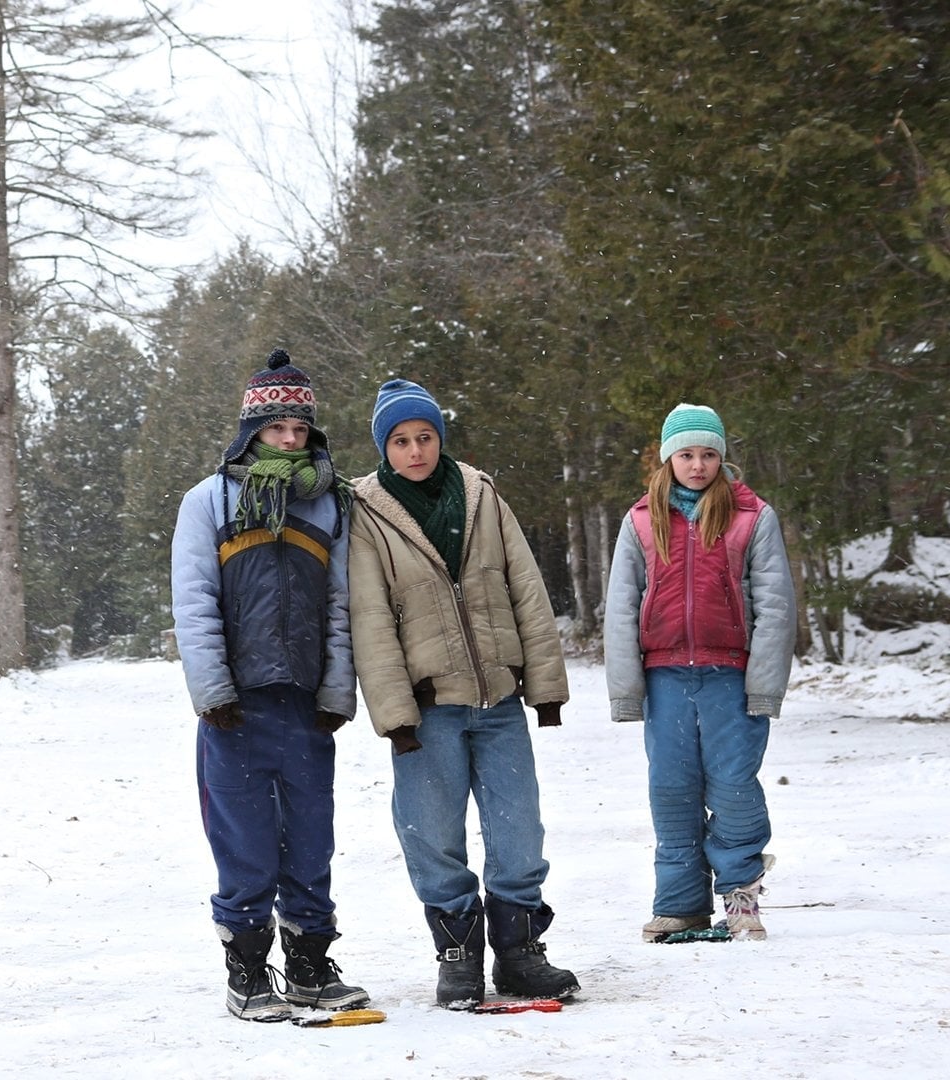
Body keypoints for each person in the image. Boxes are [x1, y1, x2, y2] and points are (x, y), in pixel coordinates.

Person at [347, 379, 579, 1008]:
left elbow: (525, 587)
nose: (415, 450)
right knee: (431, 832)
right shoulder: (365, 513)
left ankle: (520, 953)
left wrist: (545, 683)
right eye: (400, 441)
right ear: (384, 448)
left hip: (499, 701)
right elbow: (369, 619)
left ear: (439, 438)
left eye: (424, 437)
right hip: (426, 712)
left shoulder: (479, 494)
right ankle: (456, 955)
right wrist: (395, 713)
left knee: (518, 828)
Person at [170, 349, 369, 1022]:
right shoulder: (210, 500)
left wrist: (337, 692)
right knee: (245, 839)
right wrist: (213, 692)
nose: (289, 439)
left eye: (300, 428)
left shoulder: (329, 505)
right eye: (276, 426)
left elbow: (341, 605)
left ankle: (311, 963)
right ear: (251, 429)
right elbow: (194, 601)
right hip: (237, 707)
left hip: (307, 705)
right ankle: (249, 969)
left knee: (312, 836)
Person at [606, 404, 794, 942]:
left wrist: (764, 685)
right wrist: (626, 690)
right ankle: (680, 903)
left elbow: (776, 605)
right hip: (664, 676)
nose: (697, 464)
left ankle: (739, 894)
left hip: (729, 675)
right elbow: (621, 604)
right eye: (686, 454)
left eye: (708, 454)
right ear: (668, 460)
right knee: (672, 788)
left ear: (721, 458)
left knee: (733, 785)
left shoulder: (751, 517)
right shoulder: (641, 520)